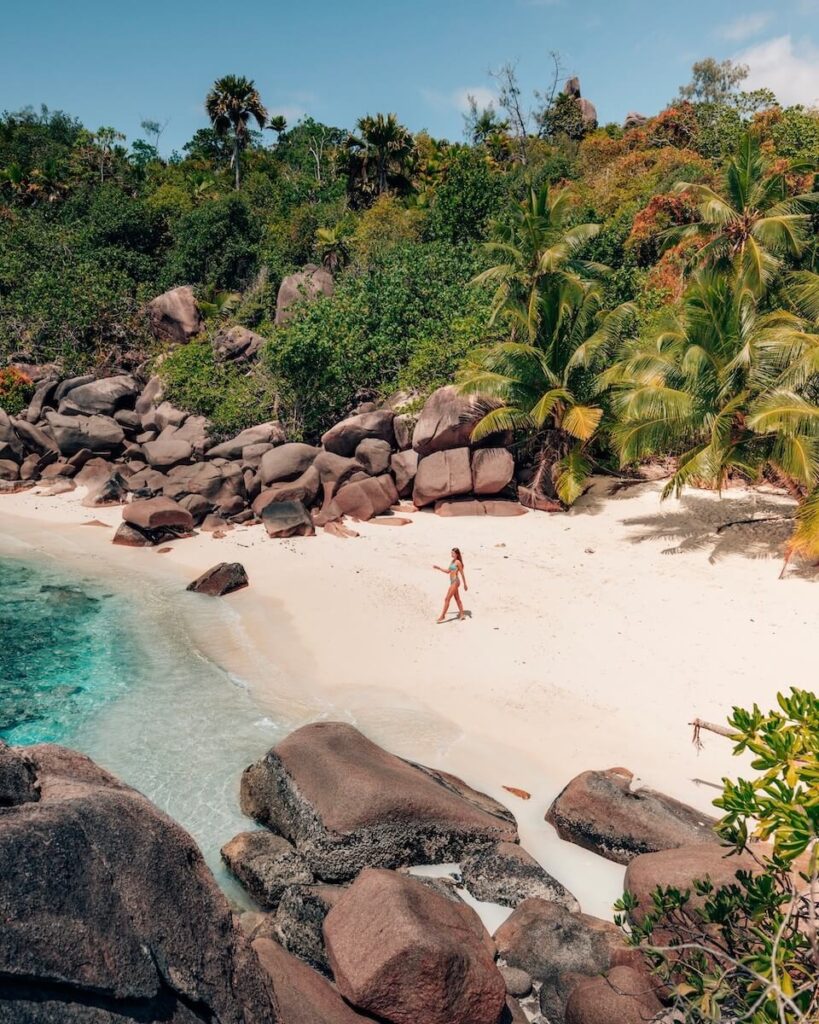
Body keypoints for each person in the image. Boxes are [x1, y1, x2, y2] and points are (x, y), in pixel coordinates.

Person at [433, 547, 468, 623]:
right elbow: (448, 571)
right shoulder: (452, 561)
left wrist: (465, 584)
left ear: (457, 554)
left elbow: (462, 574)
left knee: (447, 599)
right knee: (457, 599)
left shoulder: (458, 562)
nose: (451, 554)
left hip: (455, 581)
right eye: (451, 553)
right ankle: (462, 614)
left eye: (453, 553)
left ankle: (442, 616)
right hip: (452, 582)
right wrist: (439, 568)